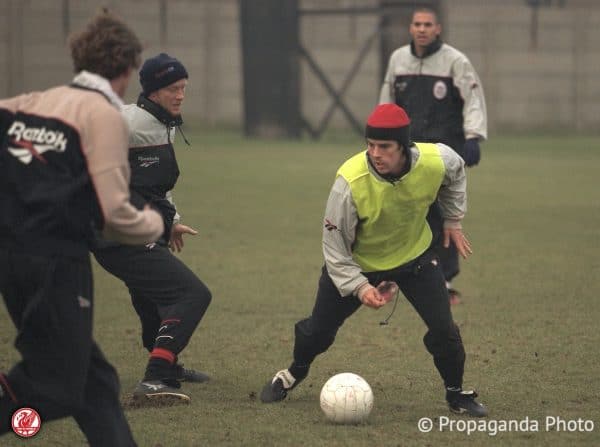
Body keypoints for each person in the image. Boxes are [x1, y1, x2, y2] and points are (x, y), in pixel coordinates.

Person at [260, 103, 488, 417]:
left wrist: (453, 219)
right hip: (358, 265)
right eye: (370, 145)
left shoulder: (437, 160)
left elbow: (457, 169)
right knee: (318, 333)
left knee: (444, 329)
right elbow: (335, 248)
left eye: (384, 146)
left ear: (404, 147)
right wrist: (359, 286)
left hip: (415, 257)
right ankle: (294, 372)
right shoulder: (349, 183)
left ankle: (456, 394)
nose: (375, 153)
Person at [0, 11, 164, 445]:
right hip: (56, 264)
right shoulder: (103, 116)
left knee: (95, 384)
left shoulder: (29, 103)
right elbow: (115, 214)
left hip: (12, 258)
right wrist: (154, 224)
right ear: (128, 70)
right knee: (55, 387)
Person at [93, 53, 212, 404]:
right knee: (192, 294)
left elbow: (157, 186)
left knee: (150, 296)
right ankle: (155, 379)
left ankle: (167, 363)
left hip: (141, 229)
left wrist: (172, 221)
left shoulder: (165, 125)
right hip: (115, 235)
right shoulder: (124, 124)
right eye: (173, 88)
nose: (180, 95)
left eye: (184, 88)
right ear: (154, 90)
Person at [379, 7, 487, 304]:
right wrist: (382, 139)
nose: (422, 29)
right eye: (417, 24)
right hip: (407, 153)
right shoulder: (398, 60)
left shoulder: (455, 61)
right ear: (410, 28)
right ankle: (390, 275)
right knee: (398, 212)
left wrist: (473, 137)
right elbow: (387, 101)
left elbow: (473, 100)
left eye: (428, 24)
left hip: (444, 154)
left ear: (437, 29)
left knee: (443, 216)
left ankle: (446, 280)